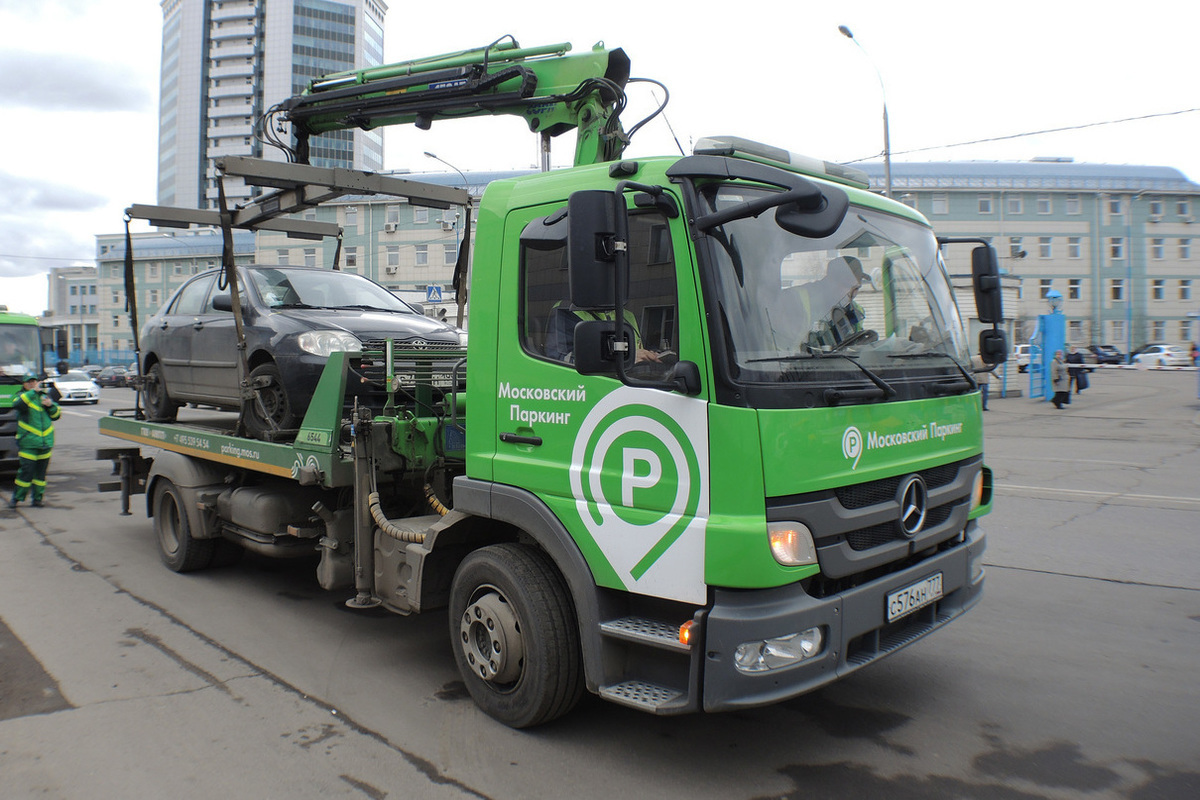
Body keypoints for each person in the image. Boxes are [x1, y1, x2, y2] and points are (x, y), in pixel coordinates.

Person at [8, 373, 61, 509]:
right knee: (26, 472)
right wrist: (33, 392)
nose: (32, 384)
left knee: (40, 475)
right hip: (29, 442)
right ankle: (17, 498)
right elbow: (18, 405)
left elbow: (56, 416)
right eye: (29, 382)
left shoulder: (43, 396)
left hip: (45, 443)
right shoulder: (21, 396)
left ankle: (37, 499)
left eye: (34, 382)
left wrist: (51, 405)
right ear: (24, 384)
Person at [544, 304, 660, 365]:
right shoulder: (565, 311)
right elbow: (559, 360)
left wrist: (651, 355)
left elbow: (641, 347)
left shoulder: (627, 315)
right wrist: (625, 360)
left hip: (631, 388)